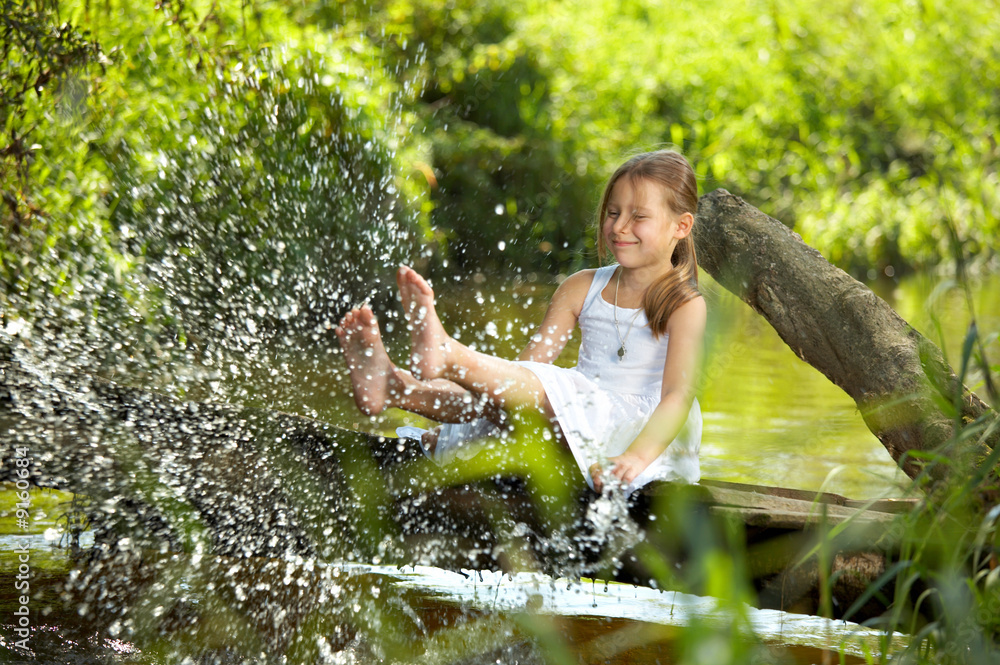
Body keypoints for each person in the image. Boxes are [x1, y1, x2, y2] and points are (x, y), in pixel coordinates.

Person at [336, 149, 704, 495]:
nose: (620, 226)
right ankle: (397, 388)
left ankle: (446, 355)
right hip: (573, 420)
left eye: (638, 217)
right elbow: (526, 370)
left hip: (641, 436)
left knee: (556, 390)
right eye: (612, 213)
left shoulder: (684, 304)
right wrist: (499, 399)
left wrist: (634, 458)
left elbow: (677, 396)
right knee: (504, 392)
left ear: (681, 226)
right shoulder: (581, 287)